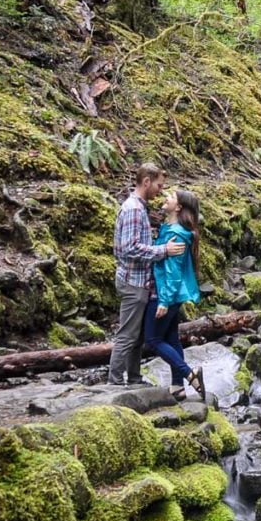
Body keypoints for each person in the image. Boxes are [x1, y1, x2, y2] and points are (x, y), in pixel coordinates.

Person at [108, 163, 186, 386]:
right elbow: (129, 247)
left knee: (138, 337)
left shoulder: (139, 207)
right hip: (133, 282)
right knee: (128, 335)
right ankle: (113, 382)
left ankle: (134, 378)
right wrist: (163, 251)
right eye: (159, 185)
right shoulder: (133, 209)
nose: (160, 191)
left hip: (140, 281)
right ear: (146, 182)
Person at [145, 189, 205, 401]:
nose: (165, 197)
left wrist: (164, 301)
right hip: (172, 294)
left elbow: (173, 272)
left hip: (166, 294)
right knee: (171, 338)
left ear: (178, 207)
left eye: (170, 196)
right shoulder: (171, 228)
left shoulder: (176, 233)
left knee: (152, 339)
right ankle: (177, 386)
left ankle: (189, 374)